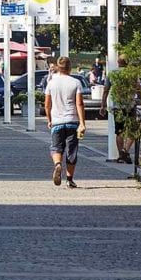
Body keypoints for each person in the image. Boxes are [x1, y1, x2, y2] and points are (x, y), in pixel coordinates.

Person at [44, 56, 86, 188]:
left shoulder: (51, 83)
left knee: (56, 147)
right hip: (72, 121)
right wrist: (82, 122)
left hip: (57, 121)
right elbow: (79, 103)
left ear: (57, 66)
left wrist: (49, 120)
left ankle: (57, 164)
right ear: (69, 67)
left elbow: (47, 105)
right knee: (71, 150)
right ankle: (69, 179)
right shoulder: (75, 82)